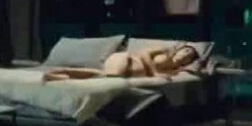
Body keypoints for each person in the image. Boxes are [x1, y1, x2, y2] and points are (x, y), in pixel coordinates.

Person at [43, 44, 200, 82]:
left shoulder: (176, 70)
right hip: (126, 59)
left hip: (130, 72)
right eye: (186, 50)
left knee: (100, 76)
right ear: (179, 50)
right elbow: (144, 54)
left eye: (190, 56)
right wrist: (154, 72)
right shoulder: (164, 51)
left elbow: (201, 71)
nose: (186, 55)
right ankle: (60, 75)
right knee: (107, 76)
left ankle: (59, 75)